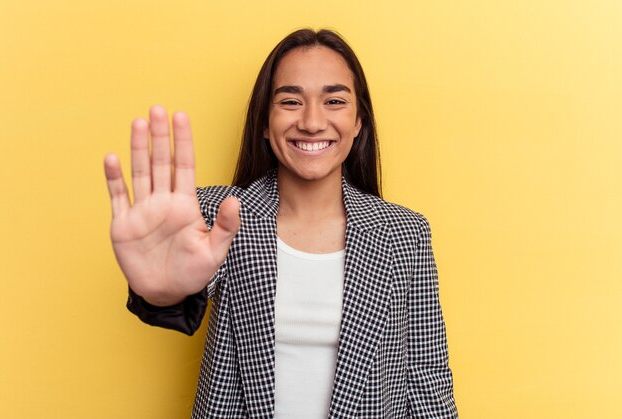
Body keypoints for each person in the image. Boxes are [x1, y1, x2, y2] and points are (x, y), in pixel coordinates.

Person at [104, 29, 458, 418]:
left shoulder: (405, 234)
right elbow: (174, 293)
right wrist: (161, 296)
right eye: (290, 101)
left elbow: (428, 383)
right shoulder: (217, 214)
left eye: (335, 101)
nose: (311, 121)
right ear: (264, 122)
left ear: (358, 122)